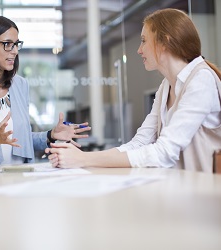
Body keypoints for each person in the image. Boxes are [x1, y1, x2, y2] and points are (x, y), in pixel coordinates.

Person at [45, 8, 221, 172]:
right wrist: (79, 158)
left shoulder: (201, 80)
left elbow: (165, 152)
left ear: (165, 42)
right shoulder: (166, 86)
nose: (139, 50)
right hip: (180, 188)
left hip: (204, 192)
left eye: (144, 41)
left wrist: (83, 159)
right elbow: (140, 143)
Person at [0, 15, 91, 166]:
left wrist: (51, 135)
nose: (15, 51)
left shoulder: (20, 85)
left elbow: (22, 139)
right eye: (7, 44)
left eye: (16, 44)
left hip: (21, 178)